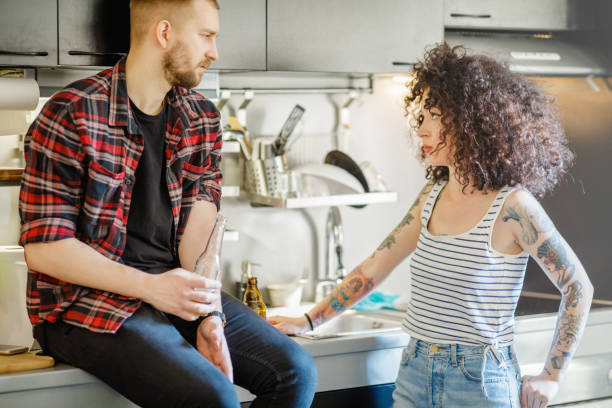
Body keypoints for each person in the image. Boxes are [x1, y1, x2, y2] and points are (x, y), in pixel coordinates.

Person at [18, 0, 316, 407]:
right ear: (164, 33)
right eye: (206, 36)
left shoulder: (202, 118)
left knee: (296, 371)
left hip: (173, 291)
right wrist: (151, 288)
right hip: (82, 305)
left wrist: (209, 313)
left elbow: (202, 231)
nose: (214, 52)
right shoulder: (71, 113)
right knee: (214, 397)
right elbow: (45, 249)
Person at [269, 43, 593, 408]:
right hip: (415, 369)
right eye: (419, 116)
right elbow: (377, 265)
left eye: (431, 116)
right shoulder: (432, 195)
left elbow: (577, 287)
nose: (419, 128)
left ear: (468, 120)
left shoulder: (513, 206)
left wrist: (551, 376)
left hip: (482, 379)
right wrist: (309, 320)